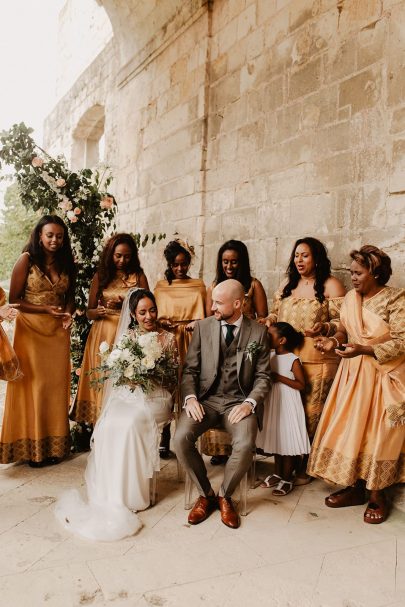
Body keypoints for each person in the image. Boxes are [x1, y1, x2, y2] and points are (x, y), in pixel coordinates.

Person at [55, 289, 178, 541]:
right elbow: (119, 376)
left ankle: (136, 494)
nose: (149, 316)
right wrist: (132, 376)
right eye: (142, 312)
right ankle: (114, 493)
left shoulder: (168, 338)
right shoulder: (128, 337)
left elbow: (174, 379)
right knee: (110, 422)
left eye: (152, 310)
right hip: (131, 395)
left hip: (158, 397)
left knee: (131, 423)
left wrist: (152, 372)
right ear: (133, 314)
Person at [308, 245, 405, 524]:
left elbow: (402, 340)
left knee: (378, 434)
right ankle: (355, 487)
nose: (353, 277)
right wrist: (330, 336)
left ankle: (377, 495)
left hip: (381, 376)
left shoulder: (395, 299)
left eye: (358, 273)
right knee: (352, 429)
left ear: (375, 273)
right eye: (351, 272)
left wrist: (362, 349)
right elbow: (343, 327)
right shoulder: (351, 297)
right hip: (352, 376)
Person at [174, 279, 271, 529]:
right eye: (213, 301)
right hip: (206, 401)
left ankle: (225, 495)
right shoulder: (204, 327)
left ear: (237, 304)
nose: (212, 307)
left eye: (218, 302)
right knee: (181, 438)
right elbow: (190, 371)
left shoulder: (258, 333)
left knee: (246, 442)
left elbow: (263, 376)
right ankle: (206, 494)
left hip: (239, 403)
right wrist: (191, 397)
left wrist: (250, 403)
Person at [264, 237, 346, 483]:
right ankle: (288, 462)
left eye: (305, 255)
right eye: (296, 255)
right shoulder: (288, 284)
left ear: (317, 258)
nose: (299, 260)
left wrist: (325, 327)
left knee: (312, 414)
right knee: (289, 413)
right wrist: (268, 320)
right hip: (288, 359)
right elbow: (275, 313)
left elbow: (344, 323)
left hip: (318, 358)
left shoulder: (331, 285)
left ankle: (306, 465)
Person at [0, 215, 76, 466]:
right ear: (39, 236)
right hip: (31, 331)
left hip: (58, 334)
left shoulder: (67, 261)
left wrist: (67, 314)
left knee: (55, 388)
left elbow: (71, 296)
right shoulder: (26, 260)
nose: (55, 240)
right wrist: (46, 310)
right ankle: (32, 449)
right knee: (35, 387)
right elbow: (14, 299)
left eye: (59, 236)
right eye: (50, 235)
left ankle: (54, 447)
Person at [71, 233, 149, 426]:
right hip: (103, 333)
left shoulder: (138, 276)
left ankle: (122, 425)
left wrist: (127, 302)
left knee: (125, 377)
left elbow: (148, 305)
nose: (122, 260)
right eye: (118, 255)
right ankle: (99, 425)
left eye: (127, 256)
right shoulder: (100, 276)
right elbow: (88, 312)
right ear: (110, 254)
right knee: (102, 377)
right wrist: (96, 311)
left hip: (128, 335)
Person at [205, 239, 268, 465]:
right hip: (222, 348)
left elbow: (264, 317)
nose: (229, 267)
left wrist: (247, 323)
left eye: (233, 262)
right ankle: (219, 451)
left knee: (242, 394)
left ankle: (242, 448)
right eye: (225, 262)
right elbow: (211, 320)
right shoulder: (214, 286)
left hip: (247, 349)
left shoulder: (253, 285)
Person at [154, 239, 206, 458]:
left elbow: (208, 315)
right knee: (167, 386)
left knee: (191, 386)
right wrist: (161, 322)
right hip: (167, 340)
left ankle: (187, 437)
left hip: (192, 340)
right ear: (169, 264)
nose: (180, 268)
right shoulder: (161, 286)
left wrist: (197, 323)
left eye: (184, 263)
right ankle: (164, 437)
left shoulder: (199, 285)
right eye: (175, 264)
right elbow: (152, 314)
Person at [257, 322, 310, 496]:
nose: (267, 337)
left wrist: (278, 377)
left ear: (282, 340)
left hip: (288, 402)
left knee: (287, 440)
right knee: (277, 439)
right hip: (274, 401)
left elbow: (301, 385)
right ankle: (278, 473)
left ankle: (287, 479)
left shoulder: (292, 359)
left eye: (270, 334)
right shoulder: (269, 355)